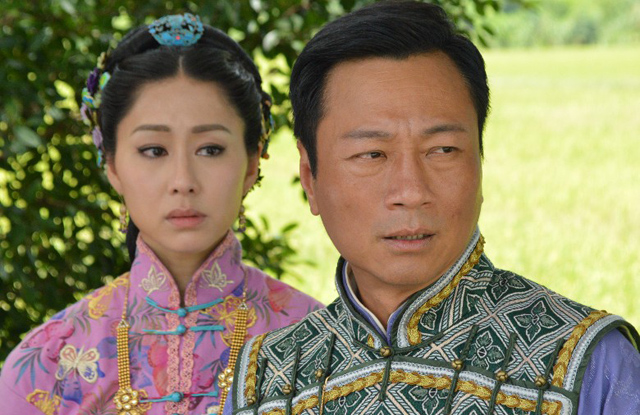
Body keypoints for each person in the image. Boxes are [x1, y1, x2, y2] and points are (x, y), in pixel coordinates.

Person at [230, 2, 640, 415]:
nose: (411, 191)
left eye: (443, 150)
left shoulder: (592, 365)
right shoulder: (264, 380)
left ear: (479, 159)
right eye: (372, 154)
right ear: (309, 176)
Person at [0, 13, 322, 415]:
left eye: (210, 149)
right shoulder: (44, 369)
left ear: (252, 162)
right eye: (153, 150)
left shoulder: (320, 347)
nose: (183, 181)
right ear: (112, 165)